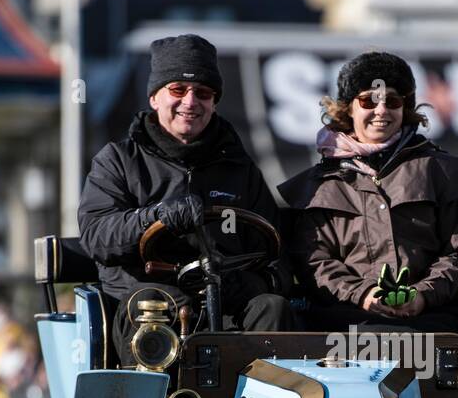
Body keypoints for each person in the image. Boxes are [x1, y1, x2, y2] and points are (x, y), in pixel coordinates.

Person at [77, 33, 295, 361]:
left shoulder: (239, 168)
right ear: (155, 97)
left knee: (272, 308)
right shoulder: (118, 160)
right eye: (177, 90)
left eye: (203, 93)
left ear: (214, 102)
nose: (190, 102)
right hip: (150, 309)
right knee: (153, 306)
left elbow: (274, 252)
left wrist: (249, 283)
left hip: (224, 305)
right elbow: (96, 236)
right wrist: (160, 217)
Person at [277, 51, 458, 341]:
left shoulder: (441, 172)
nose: (381, 111)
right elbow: (311, 261)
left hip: (435, 325)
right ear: (348, 108)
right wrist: (362, 293)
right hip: (343, 326)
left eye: (392, 101)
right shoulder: (317, 185)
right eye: (368, 100)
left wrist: (421, 295)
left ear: (406, 108)